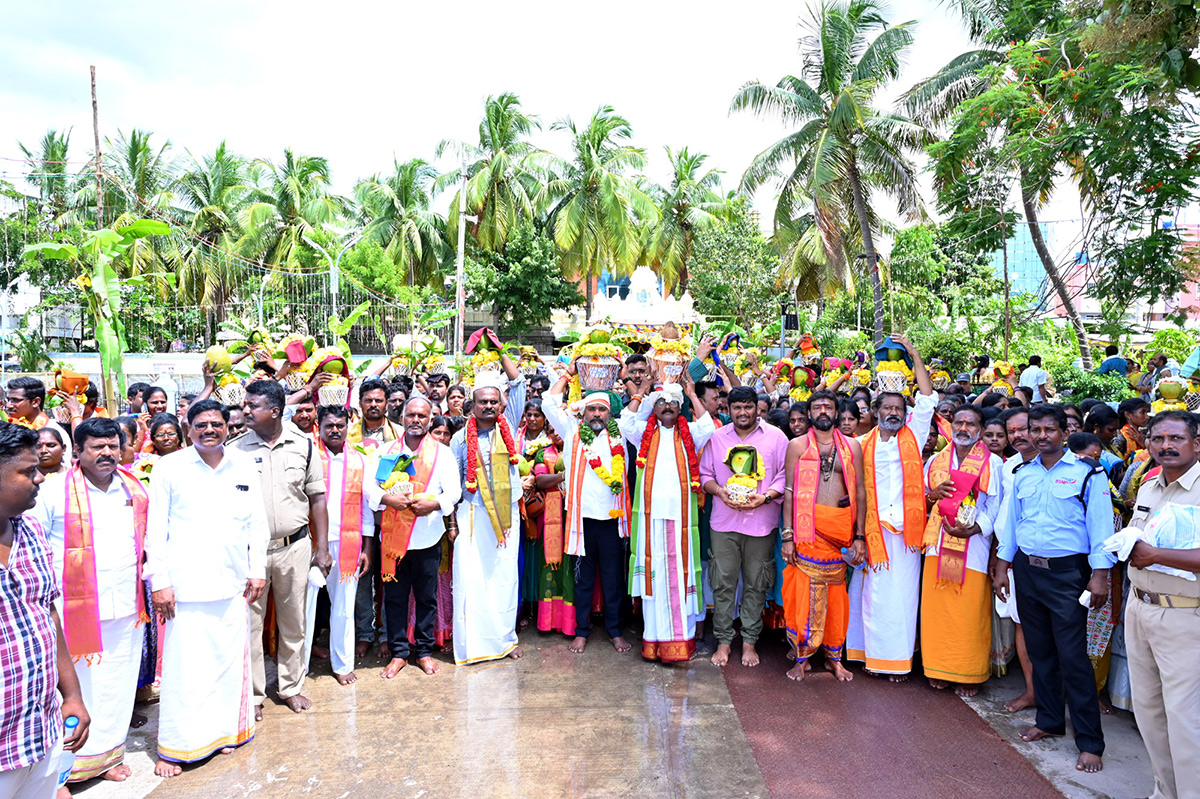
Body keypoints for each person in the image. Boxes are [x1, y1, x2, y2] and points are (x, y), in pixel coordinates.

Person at [145, 400, 267, 778]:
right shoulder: (170, 467)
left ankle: (224, 733)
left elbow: (256, 524)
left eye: (216, 423)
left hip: (232, 586)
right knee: (185, 672)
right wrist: (160, 581)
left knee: (226, 667)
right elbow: (155, 530)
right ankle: (175, 748)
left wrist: (257, 569)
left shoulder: (243, 465)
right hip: (184, 589)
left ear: (228, 426)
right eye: (201, 425)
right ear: (189, 427)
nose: (209, 430)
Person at [993, 404, 1114, 774]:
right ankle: (1049, 720)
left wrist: (1100, 575)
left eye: (1049, 429)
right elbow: (1012, 525)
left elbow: (1101, 528)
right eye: (1035, 429)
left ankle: (1090, 742)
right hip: (1028, 571)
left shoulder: (1087, 473)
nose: (1041, 436)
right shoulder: (1022, 473)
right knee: (1041, 650)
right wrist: (1002, 567)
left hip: (1068, 575)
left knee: (1073, 657)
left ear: (1063, 431)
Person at [31, 418, 147, 787]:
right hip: (71, 610)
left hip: (126, 605)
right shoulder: (52, 492)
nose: (107, 453)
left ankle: (108, 757)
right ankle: (61, 772)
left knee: (118, 683)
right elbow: (33, 545)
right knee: (70, 689)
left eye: (113, 445)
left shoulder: (135, 488)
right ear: (77, 451)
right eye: (97, 447)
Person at [0, 422, 90, 798]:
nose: (39, 478)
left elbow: (48, 617)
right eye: (27, 470)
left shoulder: (32, 530)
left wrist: (71, 695)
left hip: (41, 729)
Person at [231, 380, 330, 718]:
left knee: (294, 621)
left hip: (295, 547)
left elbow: (317, 498)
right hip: (250, 554)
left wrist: (323, 549)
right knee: (251, 624)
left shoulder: (303, 445)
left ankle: (290, 687)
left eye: (252, 405)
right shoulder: (235, 450)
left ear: (274, 411)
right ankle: (254, 695)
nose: (245, 410)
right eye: (245, 405)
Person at [847, 333, 935, 681]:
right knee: (868, 594)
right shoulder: (860, 443)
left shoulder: (913, 434)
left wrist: (913, 354)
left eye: (899, 408)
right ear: (876, 412)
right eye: (887, 408)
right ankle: (866, 654)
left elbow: (927, 398)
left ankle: (895, 660)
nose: (893, 413)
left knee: (900, 595)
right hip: (870, 530)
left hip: (906, 533)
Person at [1122, 410, 1200, 799]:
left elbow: (1155, 551)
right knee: (1149, 713)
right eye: (1158, 438)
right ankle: (1165, 791)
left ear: (1196, 444)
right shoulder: (1149, 484)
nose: (1166, 445)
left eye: (1176, 438)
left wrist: (1157, 556)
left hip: (1185, 615)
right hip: (1139, 608)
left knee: (1185, 720)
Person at [620, 380, 717, 662]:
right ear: (654, 407)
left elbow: (708, 426)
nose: (667, 408)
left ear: (679, 409)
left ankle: (681, 644)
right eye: (661, 403)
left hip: (681, 523)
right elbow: (626, 421)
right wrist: (643, 393)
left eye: (673, 404)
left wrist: (690, 395)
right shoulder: (643, 433)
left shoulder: (689, 433)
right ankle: (653, 643)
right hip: (650, 524)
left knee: (679, 576)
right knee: (655, 581)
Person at [544, 362, 632, 655]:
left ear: (610, 414)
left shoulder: (621, 436)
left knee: (612, 580)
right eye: (592, 409)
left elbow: (642, 406)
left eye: (602, 410)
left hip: (612, 521)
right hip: (581, 521)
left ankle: (615, 632)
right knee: (582, 580)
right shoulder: (572, 431)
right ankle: (581, 632)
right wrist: (568, 373)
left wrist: (627, 378)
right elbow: (549, 402)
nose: (597, 414)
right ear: (583, 412)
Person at [699, 385, 789, 668]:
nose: (742, 412)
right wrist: (720, 492)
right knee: (722, 583)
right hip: (724, 522)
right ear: (728, 410)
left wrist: (764, 497)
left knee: (756, 584)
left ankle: (749, 641)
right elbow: (705, 475)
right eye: (736, 407)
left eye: (748, 407)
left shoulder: (776, 437)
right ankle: (724, 641)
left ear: (757, 407)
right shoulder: (717, 437)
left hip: (761, 523)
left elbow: (785, 476)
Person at [780, 390, 866, 682]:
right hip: (807, 531)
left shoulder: (852, 446)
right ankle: (802, 659)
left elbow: (860, 492)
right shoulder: (797, 445)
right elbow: (789, 492)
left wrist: (859, 536)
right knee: (803, 595)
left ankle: (834, 659)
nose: (823, 411)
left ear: (837, 410)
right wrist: (788, 534)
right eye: (817, 407)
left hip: (839, 532)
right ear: (810, 413)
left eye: (828, 406)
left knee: (836, 598)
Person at [921, 404, 1003, 697]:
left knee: (968, 612)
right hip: (937, 543)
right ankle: (937, 668)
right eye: (959, 422)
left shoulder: (992, 463)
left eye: (971, 424)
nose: (964, 428)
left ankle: (968, 673)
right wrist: (931, 496)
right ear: (951, 426)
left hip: (974, 545)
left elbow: (995, 506)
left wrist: (975, 528)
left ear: (980, 430)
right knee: (937, 609)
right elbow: (923, 500)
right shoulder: (934, 462)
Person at [375, 397, 459, 678]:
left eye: (422, 416)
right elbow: (370, 490)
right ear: (402, 417)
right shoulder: (388, 451)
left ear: (430, 419)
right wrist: (388, 498)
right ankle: (399, 653)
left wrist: (433, 505)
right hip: (394, 543)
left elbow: (454, 492)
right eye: (411, 415)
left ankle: (423, 652)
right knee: (395, 598)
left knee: (426, 598)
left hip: (427, 538)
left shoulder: (442, 454)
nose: (416, 420)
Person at [449, 365, 526, 665]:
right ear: (473, 404)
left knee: (504, 579)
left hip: (507, 518)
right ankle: (473, 644)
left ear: (501, 404)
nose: (490, 406)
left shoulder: (508, 426)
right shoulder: (459, 439)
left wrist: (499, 351)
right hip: (473, 515)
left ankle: (505, 640)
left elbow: (518, 384)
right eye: (483, 401)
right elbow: (455, 484)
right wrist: (452, 523)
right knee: (473, 580)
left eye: (494, 401)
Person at [310, 406, 377, 685]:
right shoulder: (310, 457)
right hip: (312, 542)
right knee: (305, 607)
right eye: (329, 425)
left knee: (344, 606)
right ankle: (297, 668)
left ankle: (342, 663)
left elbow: (366, 509)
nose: (334, 430)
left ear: (348, 425)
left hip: (349, 542)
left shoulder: (361, 461)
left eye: (340, 425)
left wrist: (367, 548)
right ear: (319, 426)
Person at [516, 401, 572, 635]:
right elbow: (540, 481)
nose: (556, 433)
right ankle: (546, 618)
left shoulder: (574, 449)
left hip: (570, 514)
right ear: (548, 432)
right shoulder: (542, 452)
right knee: (546, 562)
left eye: (560, 429)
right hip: (548, 516)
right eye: (552, 429)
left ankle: (568, 620)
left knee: (568, 565)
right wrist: (565, 475)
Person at [4, 377, 73, 463]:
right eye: (8, 400)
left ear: (35, 402)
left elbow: (66, 468)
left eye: (15, 400)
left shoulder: (55, 431)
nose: (9, 405)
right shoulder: (10, 427)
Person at [347, 378, 398, 452]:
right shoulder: (348, 434)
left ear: (387, 403)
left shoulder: (399, 432)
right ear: (360, 403)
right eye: (368, 401)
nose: (373, 404)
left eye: (378, 401)